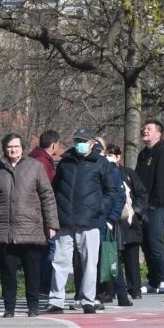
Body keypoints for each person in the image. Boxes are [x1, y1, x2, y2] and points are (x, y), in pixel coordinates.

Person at [0, 134, 56, 317]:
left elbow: (47, 196)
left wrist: (51, 224)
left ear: (22, 148)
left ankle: (33, 306)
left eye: (16, 146)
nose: (12, 150)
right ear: (4, 149)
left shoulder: (35, 167)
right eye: (9, 147)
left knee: (32, 271)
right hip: (4, 230)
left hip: (30, 228)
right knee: (8, 272)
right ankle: (9, 308)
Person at [47, 127, 115, 314]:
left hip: (89, 221)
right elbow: (55, 187)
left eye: (83, 141)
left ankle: (87, 299)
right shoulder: (65, 162)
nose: (80, 144)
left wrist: (99, 208)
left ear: (92, 143)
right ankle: (56, 300)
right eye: (77, 140)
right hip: (65, 220)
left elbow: (112, 190)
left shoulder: (101, 163)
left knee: (89, 263)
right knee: (60, 262)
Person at [135, 119, 164, 293]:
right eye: (144, 128)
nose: (145, 131)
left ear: (158, 133)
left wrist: (154, 203)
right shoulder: (143, 154)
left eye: (149, 129)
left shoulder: (163, 153)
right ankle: (153, 279)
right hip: (143, 206)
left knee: (154, 240)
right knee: (145, 242)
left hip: (156, 206)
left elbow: (163, 182)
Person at [101, 143, 140, 308]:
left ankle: (120, 294)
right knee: (104, 259)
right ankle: (104, 293)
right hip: (96, 219)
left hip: (108, 220)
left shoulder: (113, 171)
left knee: (111, 259)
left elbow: (120, 197)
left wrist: (111, 218)